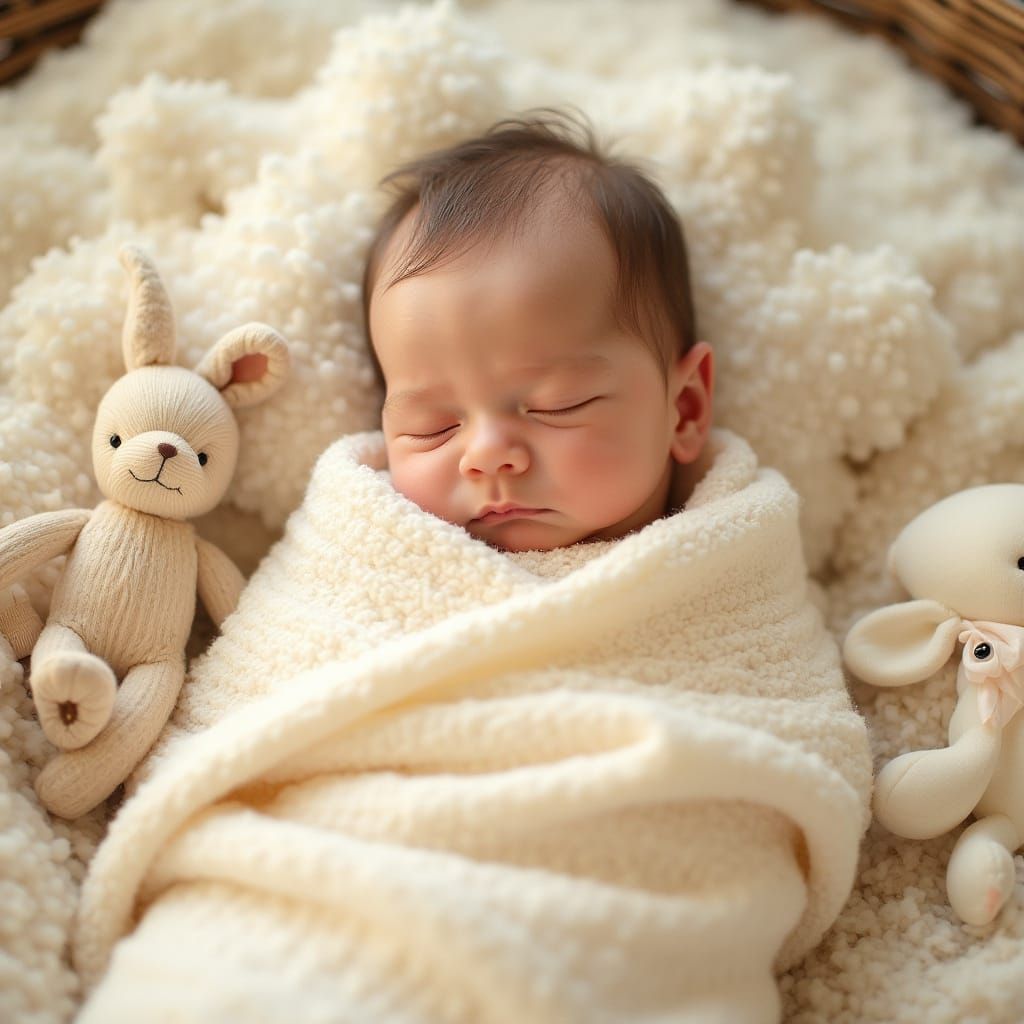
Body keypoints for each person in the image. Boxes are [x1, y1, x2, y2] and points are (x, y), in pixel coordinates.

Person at [362, 112, 714, 553]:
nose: (487, 455)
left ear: (684, 407)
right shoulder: (368, 544)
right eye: (432, 428)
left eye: (558, 405)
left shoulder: (735, 544)